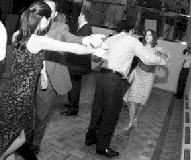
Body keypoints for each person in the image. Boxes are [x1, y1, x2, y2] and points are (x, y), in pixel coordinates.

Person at [0, 1, 107, 160]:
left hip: (10, 92)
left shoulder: (17, 34)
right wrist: (94, 48)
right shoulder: (38, 40)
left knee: (11, 134)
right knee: (22, 137)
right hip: (22, 97)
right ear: (45, 19)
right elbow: (73, 48)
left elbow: (27, 61)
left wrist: (42, 71)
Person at [30, 0, 106, 154]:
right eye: (43, 7)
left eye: (49, 9)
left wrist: (86, 40)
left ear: (55, 14)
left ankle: (35, 142)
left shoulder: (60, 27)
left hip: (48, 80)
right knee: (25, 111)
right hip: (27, 77)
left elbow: (70, 39)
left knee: (41, 114)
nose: (45, 11)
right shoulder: (30, 25)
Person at [85, 21, 169, 158]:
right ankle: (102, 147)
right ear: (131, 30)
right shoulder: (131, 40)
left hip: (101, 77)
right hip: (114, 79)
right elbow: (147, 59)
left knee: (97, 109)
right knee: (110, 114)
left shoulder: (110, 38)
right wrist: (162, 61)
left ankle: (90, 138)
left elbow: (96, 58)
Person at [123, 29, 170, 131]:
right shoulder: (140, 47)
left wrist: (168, 57)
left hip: (148, 77)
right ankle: (130, 122)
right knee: (132, 100)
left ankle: (136, 117)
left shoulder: (156, 48)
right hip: (138, 74)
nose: (147, 37)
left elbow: (165, 52)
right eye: (146, 35)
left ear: (154, 37)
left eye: (150, 35)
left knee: (141, 103)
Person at [61, 10, 93, 116]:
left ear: (83, 16)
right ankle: (72, 103)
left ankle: (73, 108)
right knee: (74, 85)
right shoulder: (83, 28)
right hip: (76, 63)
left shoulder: (86, 28)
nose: (78, 17)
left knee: (74, 85)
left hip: (78, 64)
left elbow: (79, 45)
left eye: (80, 15)